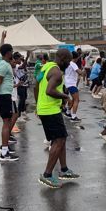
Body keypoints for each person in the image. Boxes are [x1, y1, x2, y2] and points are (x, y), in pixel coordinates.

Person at [35, 49, 80, 188]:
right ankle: (47, 175)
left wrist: (38, 105)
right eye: (68, 61)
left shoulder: (46, 67)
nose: (69, 64)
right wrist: (66, 97)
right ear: (64, 59)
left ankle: (64, 169)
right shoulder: (57, 72)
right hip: (50, 111)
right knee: (59, 140)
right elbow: (49, 90)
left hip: (45, 109)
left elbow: (36, 86)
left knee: (61, 138)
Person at [0, 31, 19, 162]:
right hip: (4, 96)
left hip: (4, 96)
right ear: (8, 53)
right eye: (11, 51)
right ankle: (4, 152)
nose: (12, 53)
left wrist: (2, 38)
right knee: (6, 123)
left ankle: (4, 149)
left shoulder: (2, 60)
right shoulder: (3, 65)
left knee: (6, 123)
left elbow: (1, 49)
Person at [64, 51, 84, 122]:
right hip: (71, 84)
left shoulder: (68, 63)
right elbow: (79, 72)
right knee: (76, 100)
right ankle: (73, 117)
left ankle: (68, 112)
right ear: (76, 57)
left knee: (73, 99)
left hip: (67, 83)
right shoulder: (73, 64)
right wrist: (83, 71)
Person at [15, 51, 31, 119]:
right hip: (20, 85)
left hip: (24, 84)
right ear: (16, 59)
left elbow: (25, 66)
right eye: (19, 58)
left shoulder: (20, 62)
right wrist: (27, 57)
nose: (20, 59)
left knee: (24, 98)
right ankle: (18, 115)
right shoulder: (16, 65)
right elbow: (23, 66)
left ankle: (23, 111)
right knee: (21, 99)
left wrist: (23, 59)